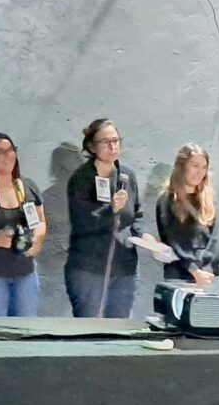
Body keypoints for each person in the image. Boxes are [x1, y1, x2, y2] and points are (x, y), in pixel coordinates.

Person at [65, 119, 153, 318]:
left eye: (116, 140)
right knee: (89, 329)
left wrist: (145, 235)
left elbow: (136, 215)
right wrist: (111, 209)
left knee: (119, 328)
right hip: (89, 268)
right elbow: (82, 223)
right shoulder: (81, 179)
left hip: (124, 268)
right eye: (106, 142)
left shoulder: (126, 176)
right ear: (91, 146)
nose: (113, 146)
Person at [0, 133, 46, 316]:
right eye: (0, 152)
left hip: (25, 272)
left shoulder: (28, 186)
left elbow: (41, 221)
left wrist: (37, 239)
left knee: (26, 326)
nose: (8, 156)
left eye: (11, 150)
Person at [156, 143, 219, 285]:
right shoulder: (168, 199)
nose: (199, 172)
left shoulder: (209, 199)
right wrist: (194, 270)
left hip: (208, 275)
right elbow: (173, 241)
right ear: (182, 166)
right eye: (195, 165)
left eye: (204, 167)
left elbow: (217, 238)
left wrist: (207, 269)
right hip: (179, 275)